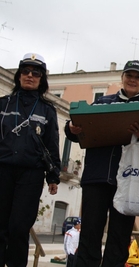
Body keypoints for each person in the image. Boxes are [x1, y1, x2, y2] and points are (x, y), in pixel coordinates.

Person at [65, 60, 139, 267]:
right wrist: (71, 128)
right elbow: (76, 132)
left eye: (137, 77)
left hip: (129, 182)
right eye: (129, 75)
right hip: (96, 177)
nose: (133, 80)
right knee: (90, 234)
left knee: (120, 238)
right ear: (122, 78)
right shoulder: (102, 103)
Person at [0, 53, 60, 267]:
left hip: (31, 174)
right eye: (25, 71)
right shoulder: (3, 104)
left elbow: (52, 143)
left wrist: (54, 175)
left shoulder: (48, 110)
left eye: (36, 73)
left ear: (41, 79)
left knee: (18, 227)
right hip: (3, 171)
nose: (30, 76)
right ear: (18, 75)